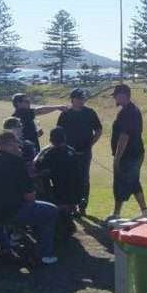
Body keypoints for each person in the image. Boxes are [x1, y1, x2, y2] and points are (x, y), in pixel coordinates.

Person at [0, 131, 58, 264]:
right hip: (7, 212)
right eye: (17, 144)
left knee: (8, 207)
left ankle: (5, 246)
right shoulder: (15, 162)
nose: (19, 147)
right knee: (51, 210)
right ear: (11, 145)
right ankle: (44, 253)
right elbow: (30, 196)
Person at [56, 88, 103, 216]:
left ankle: (83, 206)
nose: (82, 100)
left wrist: (90, 144)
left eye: (83, 98)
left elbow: (98, 130)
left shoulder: (90, 112)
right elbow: (59, 134)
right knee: (70, 178)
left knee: (84, 179)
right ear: (73, 99)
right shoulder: (65, 114)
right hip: (68, 154)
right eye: (79, 98)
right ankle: (72, 206)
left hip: (84, 152)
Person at [110, 84, 147, 218]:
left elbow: (124, 137)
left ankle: (120, 214)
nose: (115, 99)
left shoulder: (127, 112)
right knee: (128, 182)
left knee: (126, 182)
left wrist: (117, 158)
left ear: (123, 95)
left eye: (116, 96)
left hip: (129, 155)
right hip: (134, 153)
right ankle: (120, 213)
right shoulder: (131, 110)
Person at [35, 127, 82, 235]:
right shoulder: (71, 151)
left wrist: (42, 152)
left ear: (51, 140)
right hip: (76, 189)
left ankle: (63, 226)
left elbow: (38, 166)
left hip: (60, 190)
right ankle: (67, 223)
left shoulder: (51, 153)